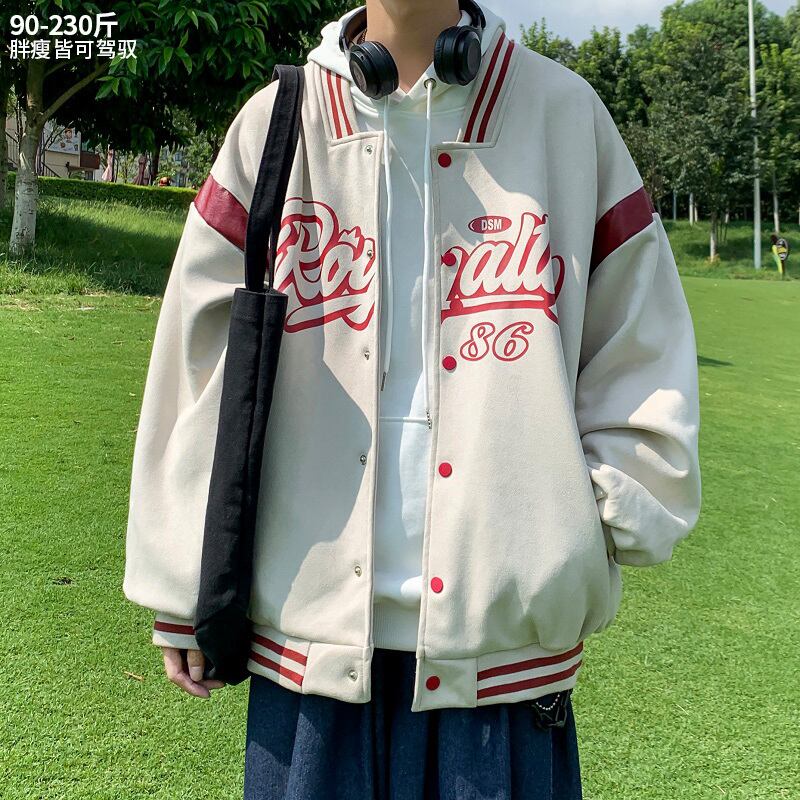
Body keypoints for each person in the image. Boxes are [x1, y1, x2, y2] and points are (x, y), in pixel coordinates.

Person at [122, 1, 702, 797]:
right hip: (308, 649)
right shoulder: (276, 122)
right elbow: (198, 359)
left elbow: (639, 338)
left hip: (502, 662)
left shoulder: (564, 115)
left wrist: (576, 525)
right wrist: (180, 578)